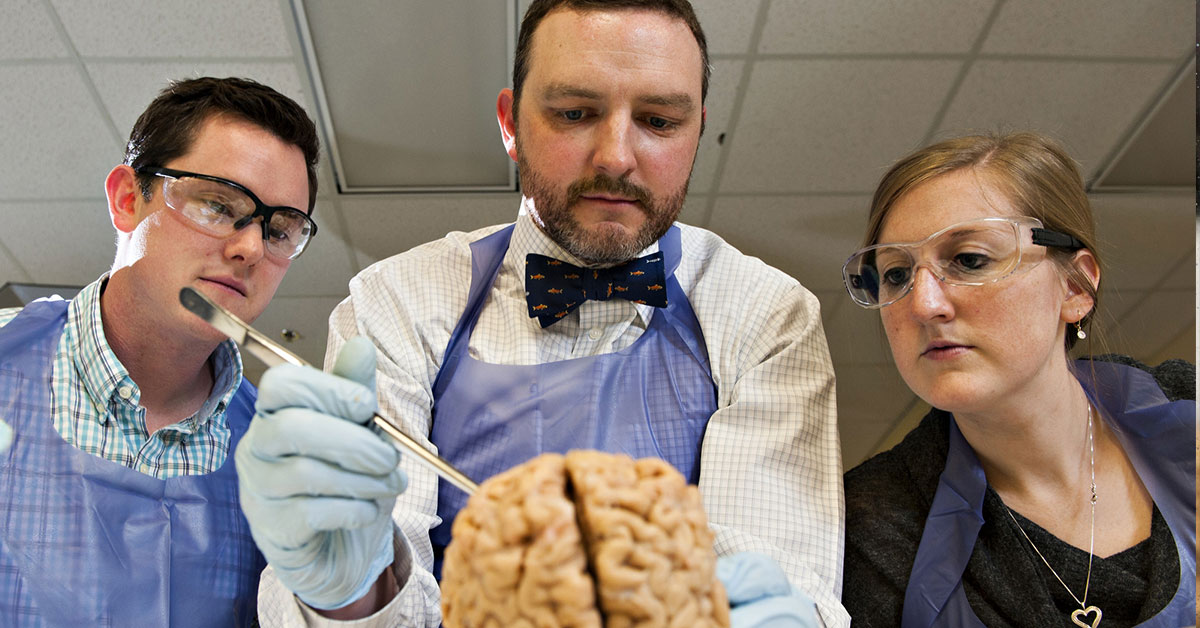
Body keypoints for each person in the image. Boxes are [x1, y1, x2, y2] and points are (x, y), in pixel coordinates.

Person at [242, 1, 846, 626]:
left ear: (696, 133)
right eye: (575, 114)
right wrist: (351, 593)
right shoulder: (400, 302)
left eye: (659, 120)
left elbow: (779, 574)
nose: (615, 156)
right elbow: (383, 581)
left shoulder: (765, 313)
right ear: (510, 123)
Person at [0, 76, 322, 626]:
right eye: (219, 205)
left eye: (279, 230)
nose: (249, 247)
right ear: (128, 200)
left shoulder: (276, 454)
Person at [839, 132, 1195, 627]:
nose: (923, 305)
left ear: (1074, 286)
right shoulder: (876, 528)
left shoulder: (1187, 403)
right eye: (897, 274)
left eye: (969, 260)